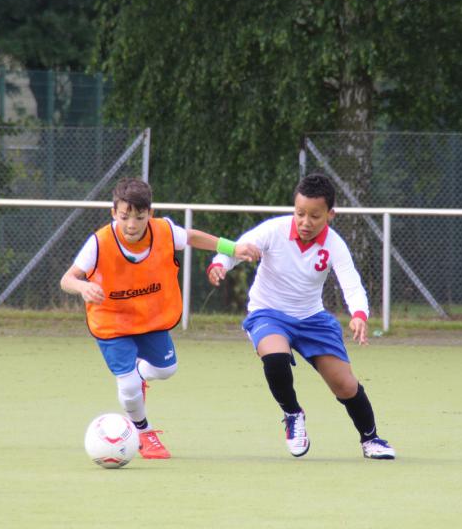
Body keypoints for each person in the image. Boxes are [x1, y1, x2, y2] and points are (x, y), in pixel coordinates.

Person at [61, 177, 260, 459]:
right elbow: (67, 279)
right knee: (128, 385)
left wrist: (231, 248)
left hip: (149, 319)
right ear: (113, 213)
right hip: (112, 322)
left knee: (167, 369)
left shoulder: (163, 231)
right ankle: (143, 432)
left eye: (139, 217)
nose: (131, 225)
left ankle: (140, 376)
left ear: (150, 214)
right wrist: (83, 287)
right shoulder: (98, 243)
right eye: (124, 217)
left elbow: (190, 237)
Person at [207, 173, 395, 460]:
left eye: (315, 216)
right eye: (300, 213)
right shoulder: (274, 230)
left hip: (312, 319)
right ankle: (293, 414)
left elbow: (351, 282)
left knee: (344, 384)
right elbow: (239, 247)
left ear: (330, 214)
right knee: (275, 357)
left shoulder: (335, 245)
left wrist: (359, 314)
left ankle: (371, 440)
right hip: (268, 312)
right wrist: (219, 264)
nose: (305, 222)